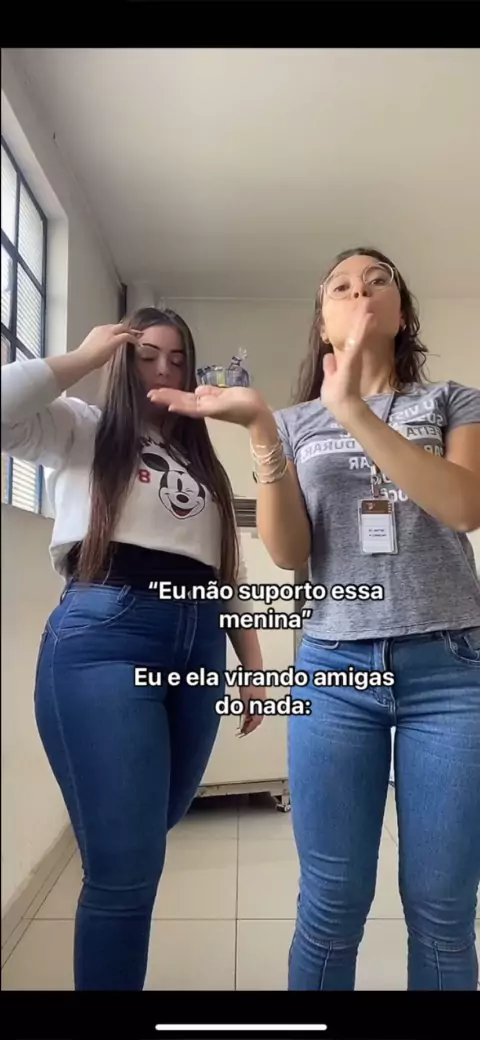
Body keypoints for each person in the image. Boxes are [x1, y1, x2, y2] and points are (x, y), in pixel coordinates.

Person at [151, 249, 480, 991]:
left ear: (401, 314)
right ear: (324, 322)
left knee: (443, 911)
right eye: (341, 286)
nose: (360, 290)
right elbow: (289, 551)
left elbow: (465, 506)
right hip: (334, 669)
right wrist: (262, 432)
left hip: (450, 670)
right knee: (331, 907)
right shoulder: (296, 423)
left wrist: (354, 410)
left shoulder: (453, 402)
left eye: (378, 281)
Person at [1, 307, 264, 991]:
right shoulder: (83, 429)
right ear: (121, 360)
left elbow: (226, 570)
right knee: (125, 872)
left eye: (178, 359)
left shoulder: (203, 464)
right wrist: (81, 358)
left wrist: (254, 666)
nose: (164, 369)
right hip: (107, 635)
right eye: (147, 355)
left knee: (150, 831)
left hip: (199, 640)